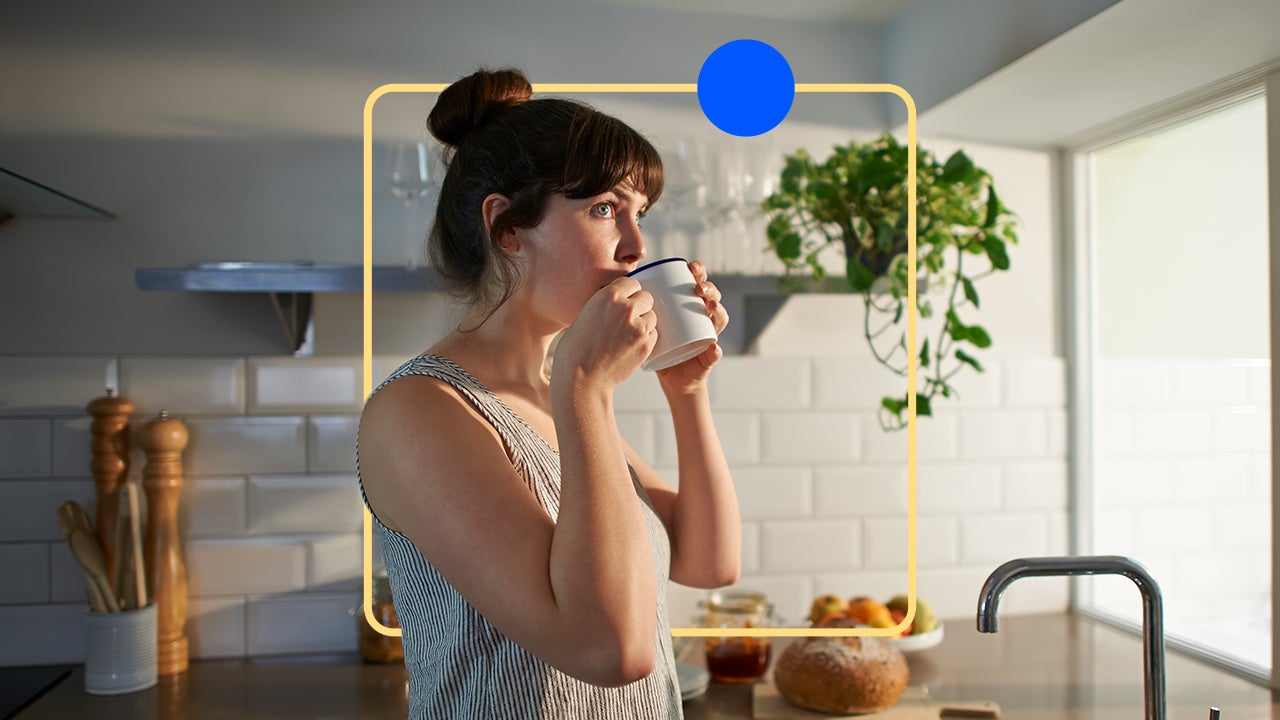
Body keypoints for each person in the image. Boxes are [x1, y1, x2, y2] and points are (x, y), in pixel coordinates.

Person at [357, 68, 741, 719]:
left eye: (638, 212)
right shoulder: (419, 411)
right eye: (603, 209)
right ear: (507, 227)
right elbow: (610, 651)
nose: (637, 245)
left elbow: (708, 562)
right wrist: (586, 392)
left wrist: (687, 389)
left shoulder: (548, 395)